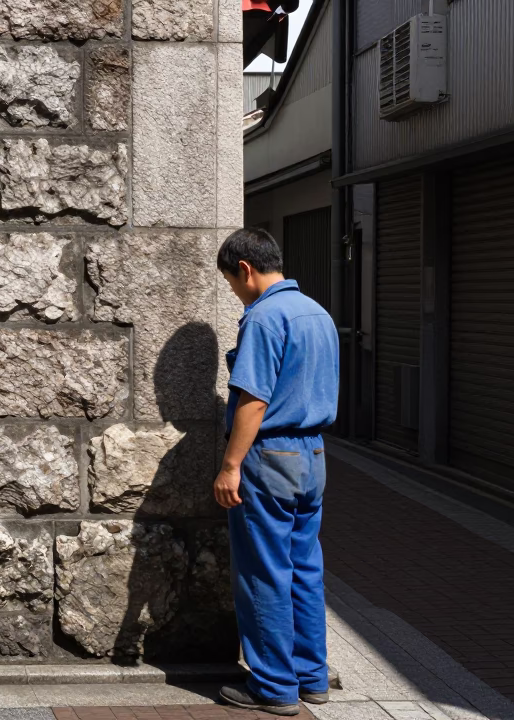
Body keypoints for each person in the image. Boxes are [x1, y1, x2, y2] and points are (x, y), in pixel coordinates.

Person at [213, 228, 340, 716]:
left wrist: (230, 466)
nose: (233, 291)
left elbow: (254, 398)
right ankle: (312, 677)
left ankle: (273, 688)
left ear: (245, 269)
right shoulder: (319, 313)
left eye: (230, 282)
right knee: (305, 570)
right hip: (314, 456)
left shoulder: (264, 317)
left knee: (263, 572)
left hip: (270, 457)